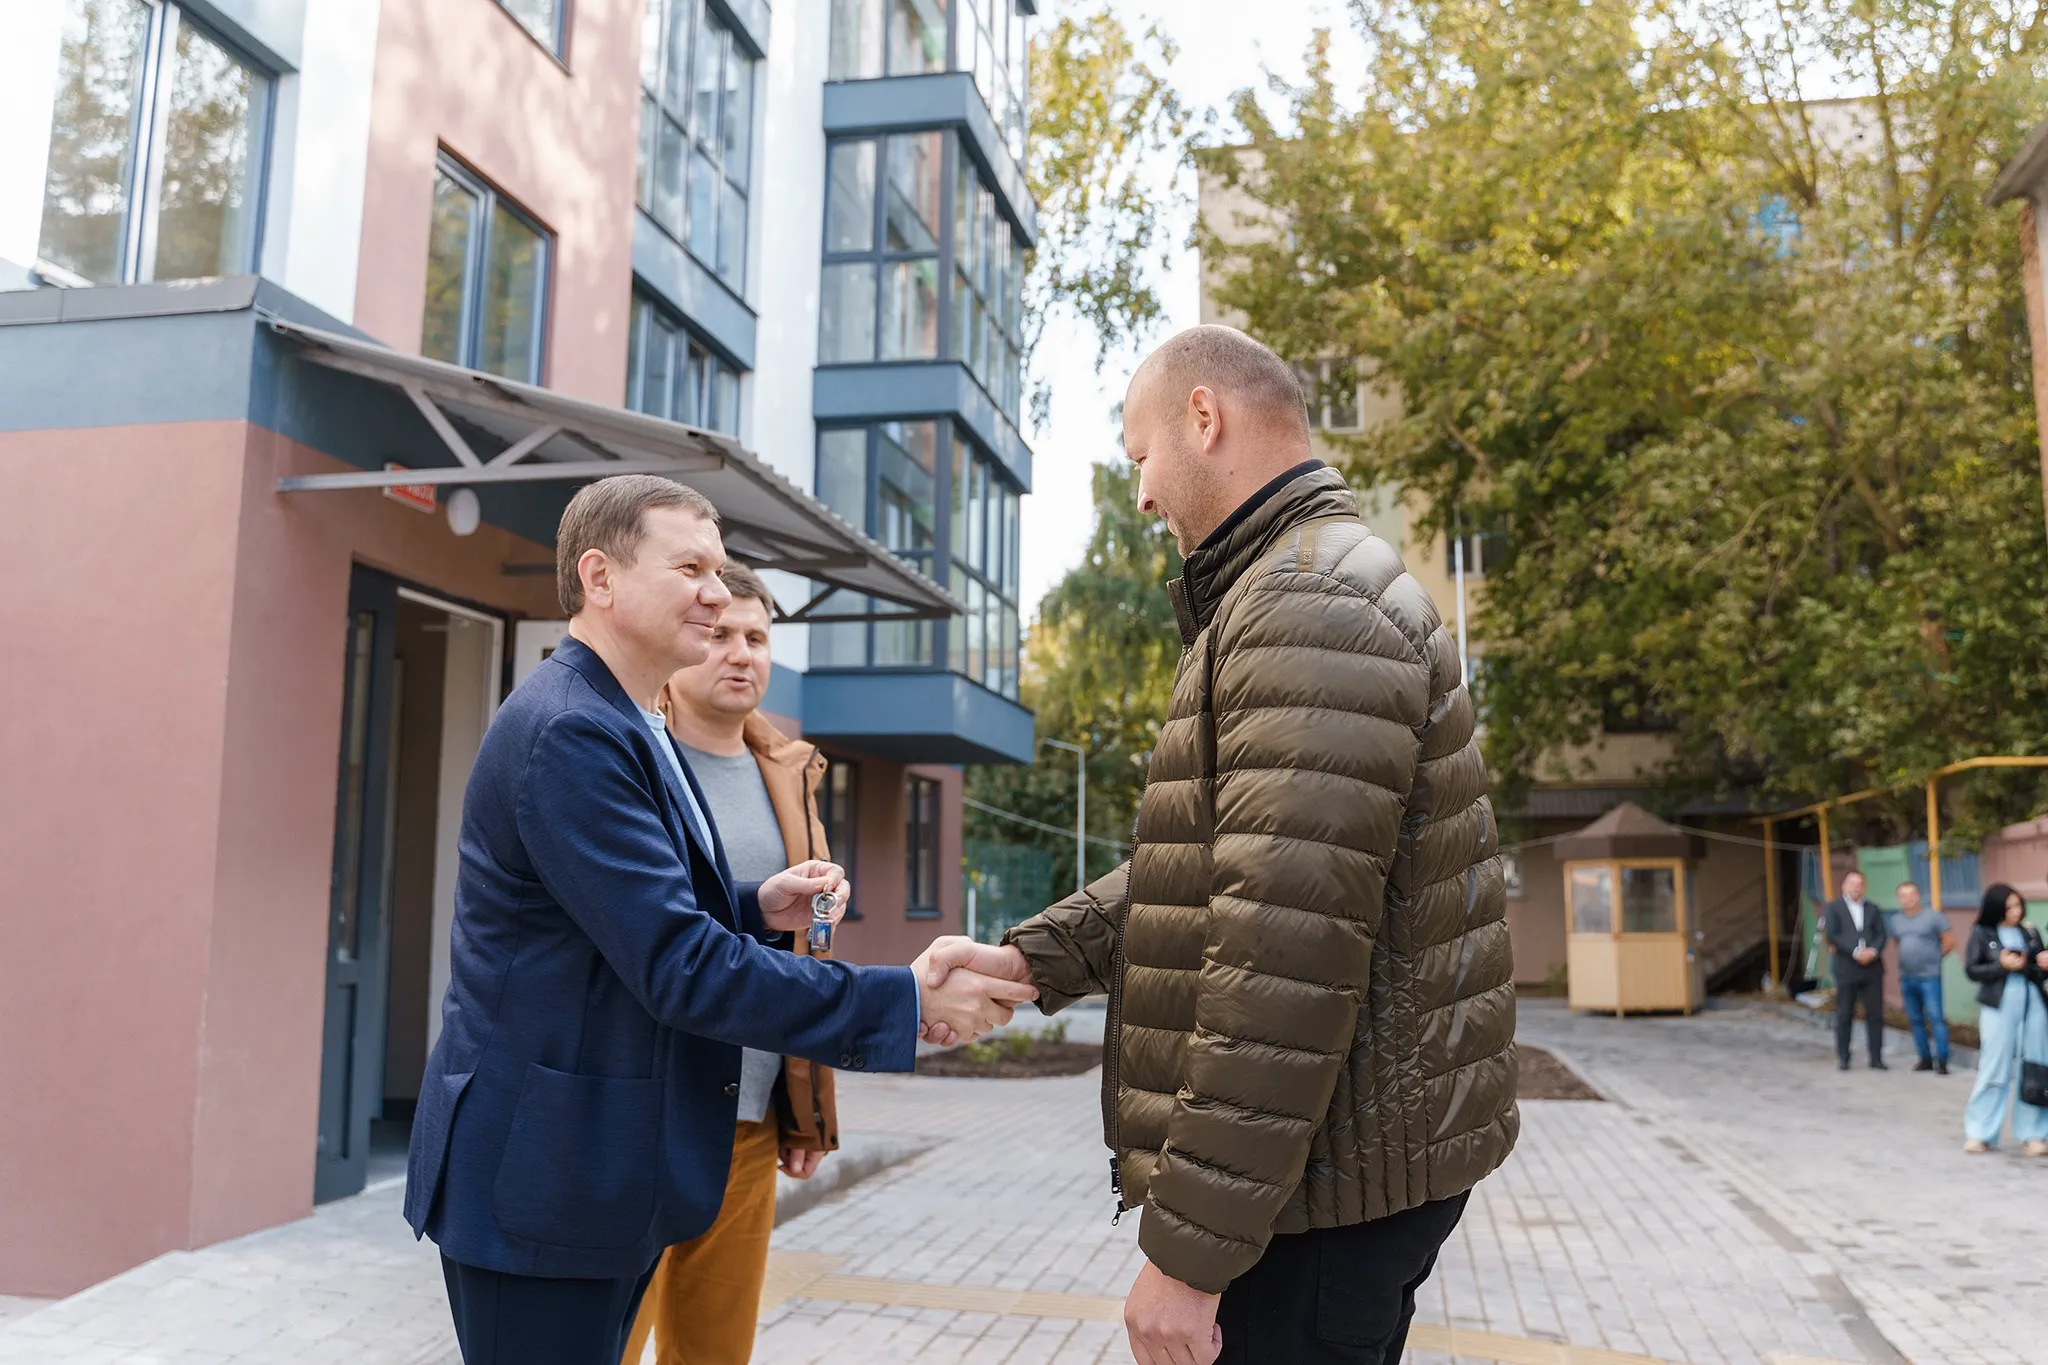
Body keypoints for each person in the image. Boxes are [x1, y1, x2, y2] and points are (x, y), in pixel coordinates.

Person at [946, 326, 1518, 1365]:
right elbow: (1241, 873)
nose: (1141, 496)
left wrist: (1189, 1258)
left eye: (1137, 458)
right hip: (1328, 1177)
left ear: (1202, 419)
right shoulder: (1298, 589)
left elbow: (1278, 961)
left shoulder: (1306, 604)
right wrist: (1037, 959)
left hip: (1317, 1200)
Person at [405, 476, 1034, 1365]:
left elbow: (614, 923)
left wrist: (750, 906)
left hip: (599, 1173)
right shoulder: (573, 730)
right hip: (545, 1178)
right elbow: (679, 965)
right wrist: (900, 1000)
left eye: (719, 567)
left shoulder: (628, 720)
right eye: (690, 566)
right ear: (601, 577)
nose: (715, 588)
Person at [618, 564, 841, 1365]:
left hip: (745, 1121)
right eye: (718, 635)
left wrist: (808, 1102)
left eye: (756, 636)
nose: (740, 653)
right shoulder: (630, 755)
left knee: (713, 1354)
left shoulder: (789, 772)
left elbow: (805, 952)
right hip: (638, 1116)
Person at [1961, 883, 2048, 1156]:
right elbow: (1972, 970)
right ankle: (1979, 1132)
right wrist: (2002, 965)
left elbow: (2038, 971)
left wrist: (2040, 963)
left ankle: (2034, 1133)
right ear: (1996, 907)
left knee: (2035, 1066)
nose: (2016, 911)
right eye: (2009, 907)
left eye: (2018, 905)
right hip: (1998, 1007)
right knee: (1994, 1067)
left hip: (2033, 1006)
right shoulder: (1982, 932)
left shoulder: (2030, 932)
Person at [1823, 870, 1889, 1071]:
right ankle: (1844, 1057)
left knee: (1875, 1014)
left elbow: (1881, 934)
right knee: (1844, 1013)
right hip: (1846, 966)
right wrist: (1854, 952)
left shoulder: (1873, 908)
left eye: (1859, 884)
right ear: (1844, 886)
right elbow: (1833, 935)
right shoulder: (1834, 908)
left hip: (1872, 967)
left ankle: (1876, 1058)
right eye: (1852, 883)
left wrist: (1874, 951)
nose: (1856, 887)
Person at [1885, 880, 1953, 1074]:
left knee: (1936, 1017)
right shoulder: (1896, 920)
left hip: (1929, 977)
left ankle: (1942, 1060)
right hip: (1907, 977)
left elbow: (1949, 941)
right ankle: (1924, 1058)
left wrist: (1933, 958)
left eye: (1912, 894)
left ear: (1918, 895)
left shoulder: (1933, 916)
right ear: (1899, 899)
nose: (1908, 899)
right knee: (1915, 1019)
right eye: (1903, 895)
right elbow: (1897, 943)